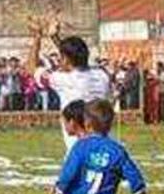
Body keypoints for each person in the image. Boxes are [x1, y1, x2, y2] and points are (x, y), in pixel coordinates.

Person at [27, 17, 112, 153]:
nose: (59, 62)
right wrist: (55, 37)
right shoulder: (102, 75)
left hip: (79, 151)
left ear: (65, 58)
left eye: (61, 58)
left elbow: (31, 69)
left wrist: (37, 36)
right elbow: (75, 61)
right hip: (106, 147)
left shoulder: (64, 80)